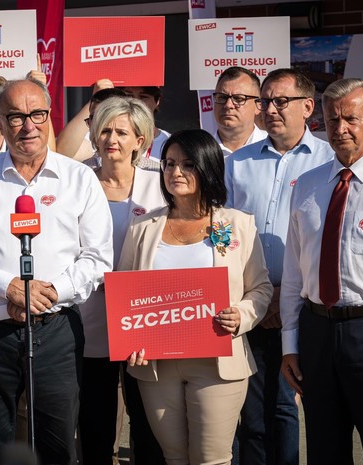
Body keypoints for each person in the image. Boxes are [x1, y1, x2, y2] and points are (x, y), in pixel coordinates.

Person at [0, 78, 114, 465]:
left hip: (56, 330)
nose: (28, 126)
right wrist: (8, 287)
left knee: (57, 445)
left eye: (37, 114)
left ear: (49, 116)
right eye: (16, 117)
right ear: (0, 121)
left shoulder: (79, 179)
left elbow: (97, 258)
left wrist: (46, 293)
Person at [123, 129, 273, 465]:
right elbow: (126, 294)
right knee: (174, 457)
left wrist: (242, 314)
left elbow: (260, 288)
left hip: (218, 363)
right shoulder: (142, 227)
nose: (175, 172)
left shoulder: (237, 224)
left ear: (207, 168)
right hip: (157, 366)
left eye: (188, 164)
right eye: (169, 163)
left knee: (211, 459)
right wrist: (130, 338)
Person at [227, 68, 334, 465]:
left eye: (281, 101)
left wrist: (283, 297)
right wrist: (255, 295)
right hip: (250, 303)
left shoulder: (329, 161)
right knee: (252, 410)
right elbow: (221, 231)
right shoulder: (237, 163)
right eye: (265, 101)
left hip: (303, 306)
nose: (270, 109)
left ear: (307, 107)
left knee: (288, 406)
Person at [280, 78, 363, 464]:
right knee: (323, 449)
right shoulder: (308, 184)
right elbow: (294, 272)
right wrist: (290, 344)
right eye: (332, 120)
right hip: (316, 332)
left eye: (351, 118)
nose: (340, 129)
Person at [78, 96, 165, 465]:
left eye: (121, 132)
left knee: (147, 418)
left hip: (143, 316)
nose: (111, 139)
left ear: (139, 141)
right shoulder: (77, 179)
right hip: (90, 312)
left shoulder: (160, 181)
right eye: (105, 131)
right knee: (94, 416)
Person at [55, 79, 119, 162]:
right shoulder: (99, 136)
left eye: (122, 133)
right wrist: (97, 100)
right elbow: (63, 153)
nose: (111, 140)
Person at [212, 66, 267, 156]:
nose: (228, 105)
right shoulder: (197, 153)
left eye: (238, 99)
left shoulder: (276, 149)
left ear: (258, 105)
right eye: (222, 97)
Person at [119, 86, 169, 159]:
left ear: (157, 101)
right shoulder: (108, 141)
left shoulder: (169, 143)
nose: (135, 101)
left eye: (143, 97)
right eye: (129, 96)